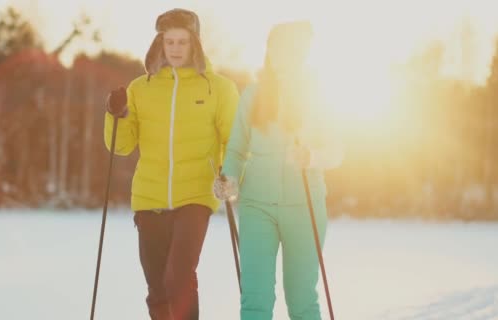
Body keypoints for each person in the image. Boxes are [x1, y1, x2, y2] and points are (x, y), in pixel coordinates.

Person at [103, 8, 239, 320]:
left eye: (182, 42)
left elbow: (234, 139)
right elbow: (120, 146)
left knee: (178, 278)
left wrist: (230, 175)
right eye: (169, 42)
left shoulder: (217, 88)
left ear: (196, 45)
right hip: (149, 197)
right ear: (159, 44)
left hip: (196, 195)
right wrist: (116, 115)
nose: (175, 49)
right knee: (157, 288)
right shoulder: (141, 88)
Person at [213, 21, 344, 320]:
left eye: (292, 48)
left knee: (301, 300)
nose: (284, 54)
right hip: (257, 205)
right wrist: (229, 181)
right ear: (269, 52)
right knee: (255, 299)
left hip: (305, 206)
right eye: (277, 47)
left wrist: (310, 156)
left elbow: (337, 151)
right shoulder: (253, 95)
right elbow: (236, 150)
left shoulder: (319, 96)